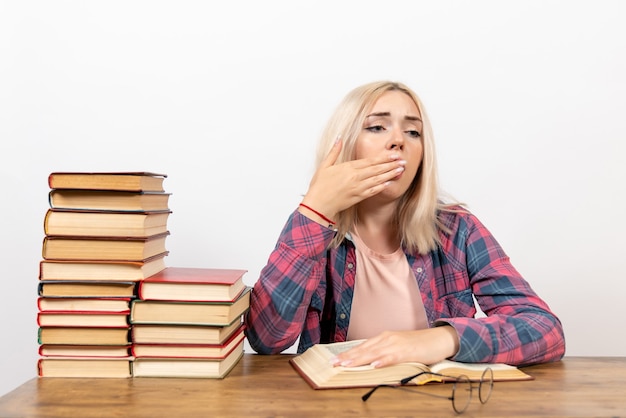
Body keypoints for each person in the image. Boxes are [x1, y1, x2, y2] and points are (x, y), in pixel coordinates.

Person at [244, 81, 565, 368]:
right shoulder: (312, 231)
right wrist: (314, 211)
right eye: (377, 127)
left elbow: (544, 329)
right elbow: (267, 339)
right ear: (342, 144)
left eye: (413, 132)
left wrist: (438, 340)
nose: (398, 141)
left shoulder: (458, 229)